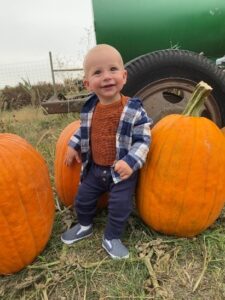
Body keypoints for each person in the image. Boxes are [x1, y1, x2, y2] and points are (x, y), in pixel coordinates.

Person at [61, 44, 152, 259]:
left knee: (120, 206)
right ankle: (84, 225)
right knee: (82, 198)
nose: (107, 77)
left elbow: (144, 139)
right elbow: (84, 131)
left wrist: (130, 162)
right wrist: (72, 145)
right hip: (95, 169)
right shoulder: (90, 108)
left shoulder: (133, 109)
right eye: (97, 73)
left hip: (121, 172)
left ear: (124, 75)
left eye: (113, 70)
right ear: (88, 83)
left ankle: (112, 237)